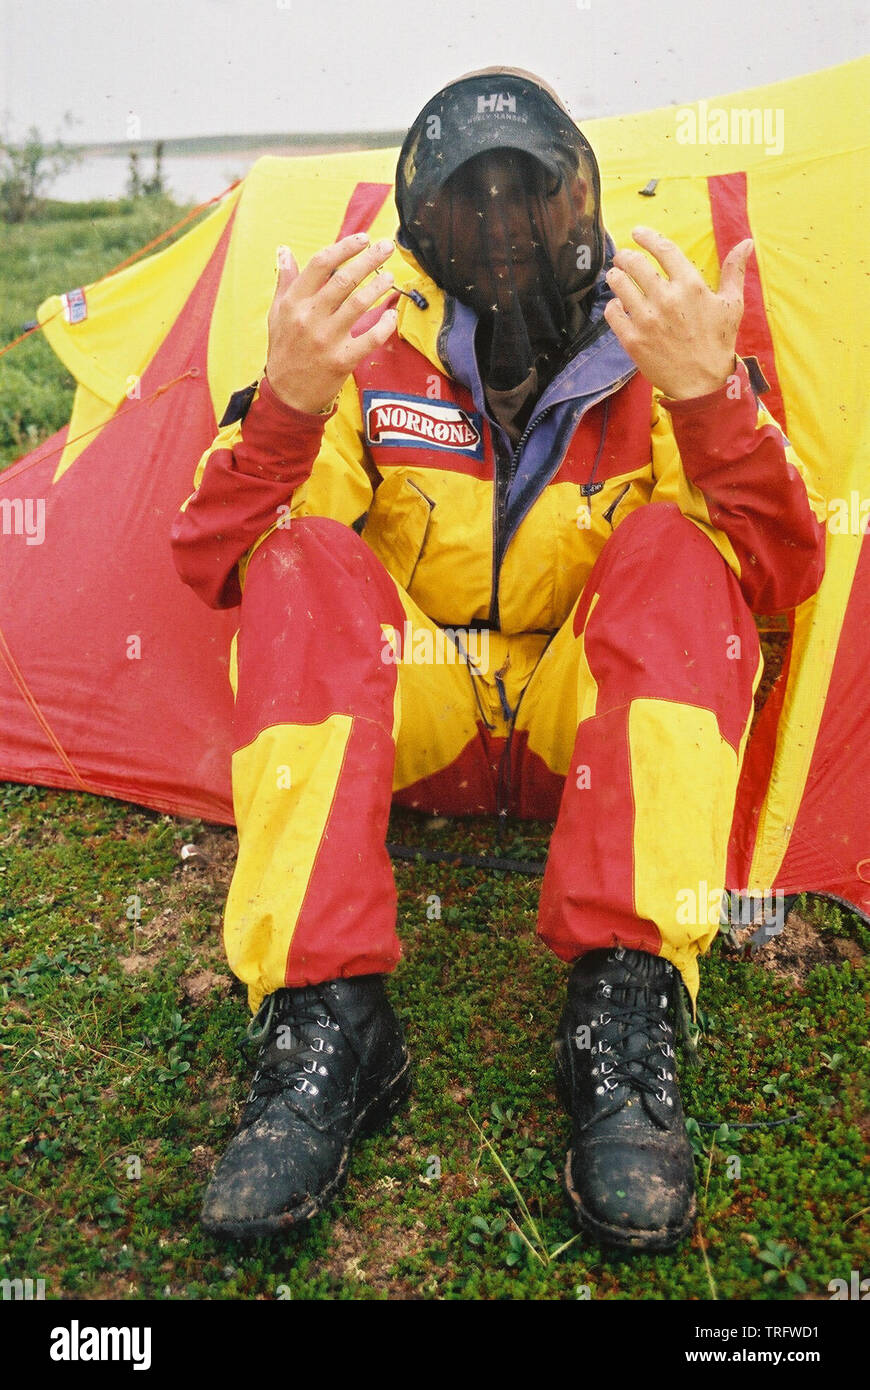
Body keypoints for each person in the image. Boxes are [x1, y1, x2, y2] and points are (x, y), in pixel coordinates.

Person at [171, 68, 826, 1253]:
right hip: (424, 713)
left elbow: (776, 577)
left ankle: (625, 1004)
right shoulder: (363, 337)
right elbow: (216, 560)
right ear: (426, 226)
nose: (505, 231)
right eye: (472, 206)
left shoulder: (660, 330)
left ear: (581, 203)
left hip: (580, 715)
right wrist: (287, 397)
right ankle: (327, 1015)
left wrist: (710, 397)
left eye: (528, 198)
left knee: (686, 548)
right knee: (305, 556)